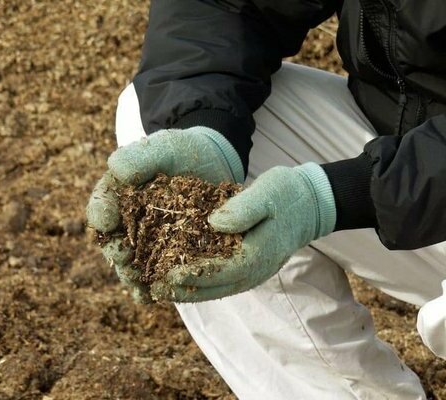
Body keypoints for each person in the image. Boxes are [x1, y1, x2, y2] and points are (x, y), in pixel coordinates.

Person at [87, 1, 446, 398]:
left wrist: (334, 195)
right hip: (413, 170)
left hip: (419, 185)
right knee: (161, 140)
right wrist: (208, 131)